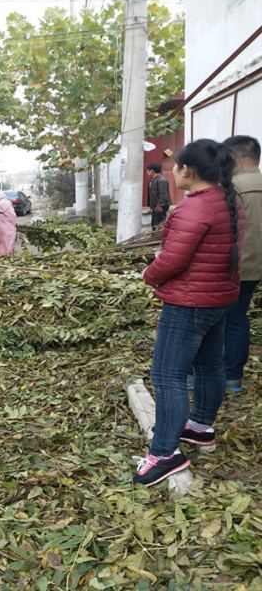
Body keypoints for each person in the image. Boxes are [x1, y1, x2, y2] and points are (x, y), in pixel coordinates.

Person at [134, 139, 245, 487]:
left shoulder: (192, 208)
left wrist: (148, 275)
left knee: (167, 375)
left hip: (189, 303)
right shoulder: (228, 202)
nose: (174, 172)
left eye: (176, 167)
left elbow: (172, 260)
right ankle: (199, 426)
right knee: (210, 364)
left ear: (187, 170)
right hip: (218, 298)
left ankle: (165, 454)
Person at [223, 135, 262, 394]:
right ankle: (232, 379)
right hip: (256, 266)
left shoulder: (231, 187)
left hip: (238, 267)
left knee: (230, 321)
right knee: (238, 319)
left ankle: (227, 378)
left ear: (234, 158)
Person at [146, 163, 171, 229]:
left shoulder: (161, 180)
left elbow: (163, 195)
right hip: (155, 207)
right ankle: (155, 237)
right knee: (154, 225)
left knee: (159, 226)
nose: (147, 172)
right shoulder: (152, 180)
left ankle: (158, 238)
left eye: (147, 171)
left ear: (152, 171)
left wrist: (160, 206)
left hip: (159, 208)